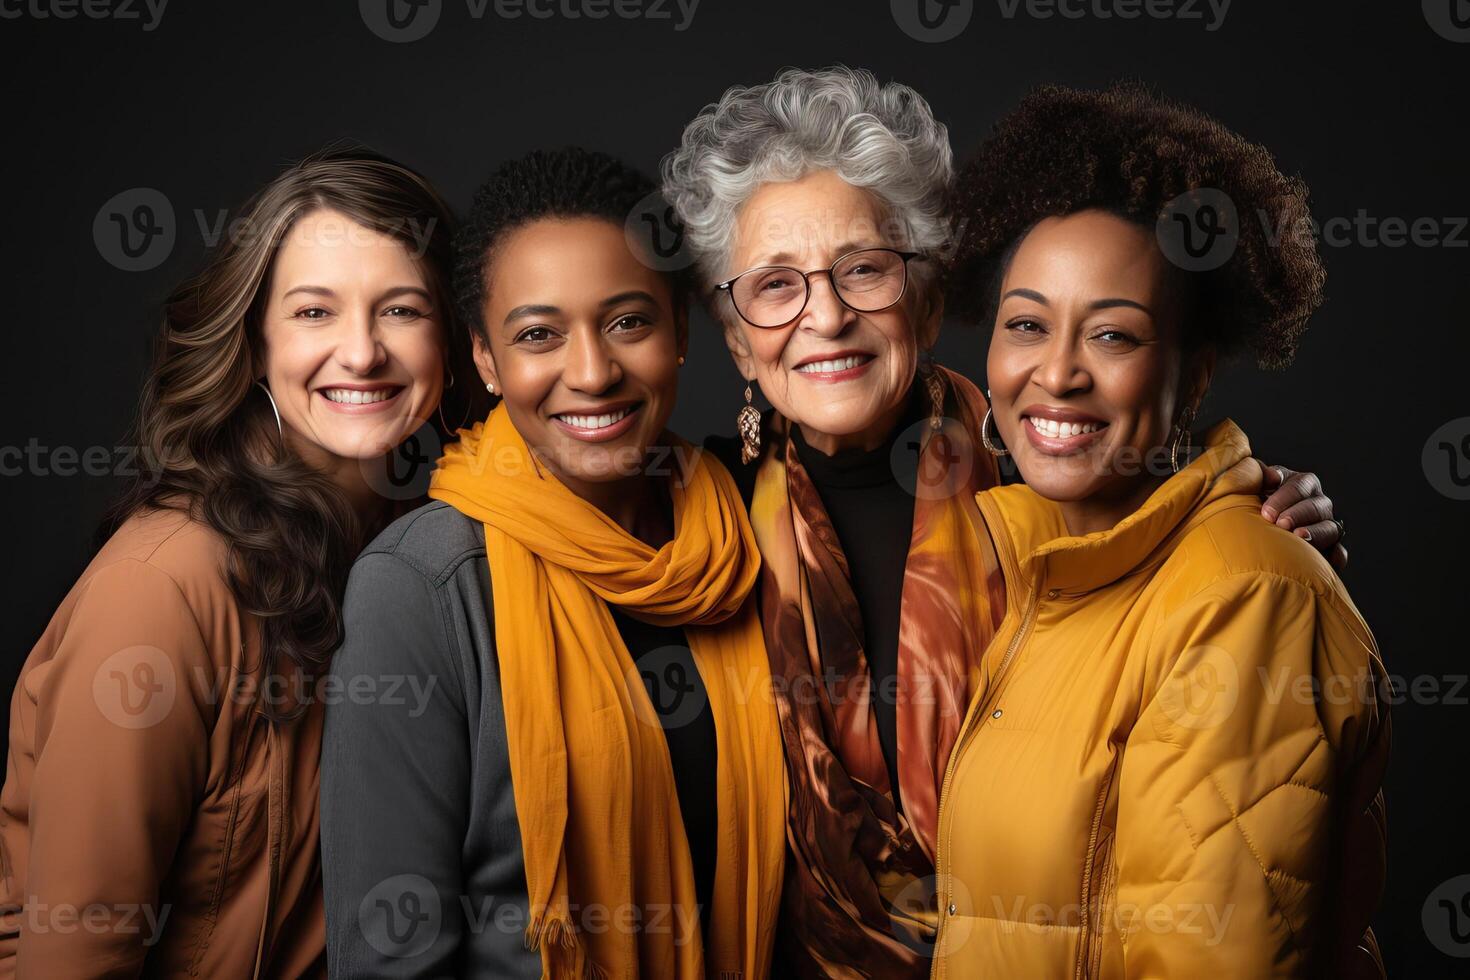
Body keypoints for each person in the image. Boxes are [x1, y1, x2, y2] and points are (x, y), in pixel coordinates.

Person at [661, 65, 1349, 975]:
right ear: (738, 337)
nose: (824, 316)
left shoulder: (1065, 490)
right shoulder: (695, 531)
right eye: (777, 285)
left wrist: (1257, 517)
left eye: (864, 269)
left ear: (932, 298)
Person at [928, 82, 1387, 977]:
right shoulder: (1041, 572)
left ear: (1196, 371)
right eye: (1027, 324)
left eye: (1114, 337)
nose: (1056, 374)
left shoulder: (1246, 598)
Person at [0, 147, 479, 977]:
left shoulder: (437, 553)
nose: (362, 354)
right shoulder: (156, 592)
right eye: (314, 313)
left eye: (401, 309)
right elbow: (73, 955)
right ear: (256, 341)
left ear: (456, 337)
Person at [319, 148, 786, 979]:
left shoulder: (747, 536)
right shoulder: (420, 589)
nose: (593, 372)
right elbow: (391, 959)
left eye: (628, 321)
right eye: (539, 335)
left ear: (681, 331)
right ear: (488, 362)